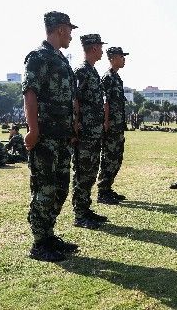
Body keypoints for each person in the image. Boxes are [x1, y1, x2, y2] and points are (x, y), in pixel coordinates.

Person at [23, 11, 78, 262]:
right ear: (59, 30)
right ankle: (39, 243)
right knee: (44, 189)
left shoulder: (61, 59)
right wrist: (33, 130)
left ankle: (48, 234)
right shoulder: (38, 57)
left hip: (62, 135)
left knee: (60, 187)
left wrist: (73, 127)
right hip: (45, 136)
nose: (71, 35)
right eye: (69, 30)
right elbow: (30, 95)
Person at [72, 34, 109, 229]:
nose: (102, 51)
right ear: (94, 48)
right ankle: (79, 214)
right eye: (100, 47)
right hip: (85, 133)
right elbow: (75, 100)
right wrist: (76, 125)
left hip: (94, 133)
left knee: (91, 172)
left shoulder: (92, 71)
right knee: (82, 172)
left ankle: (86, 209)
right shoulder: (81, 72)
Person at [98, 46, 129, 204]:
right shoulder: (108, 78)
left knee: (116, 158)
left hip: (118, 126)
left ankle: (108, 188)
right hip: (110, 126)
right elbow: (105, 103)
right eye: (121, 56)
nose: (124, 59)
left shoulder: (117, 78)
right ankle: (102, 192)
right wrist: (106, 123)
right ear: (112, 58)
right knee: (109, 158)